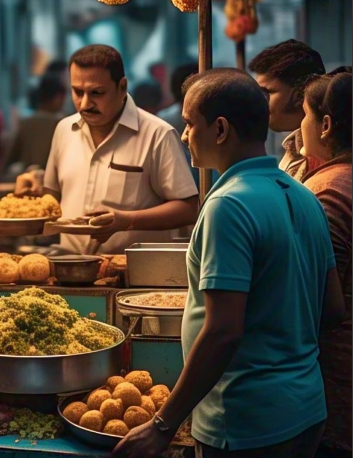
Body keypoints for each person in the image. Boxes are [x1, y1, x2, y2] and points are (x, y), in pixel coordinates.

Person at [113, 68, 345, 458]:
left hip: (244, 421)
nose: (184, 135)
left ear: (220, 129)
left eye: (189, 124)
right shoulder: (303, 194)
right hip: (305, 410)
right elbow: (333, 309)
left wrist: (162, 424)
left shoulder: (228, 205)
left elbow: (222, 332)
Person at [16, 45, 198, 255]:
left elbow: (188, 209)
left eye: (97, 93)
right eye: (77, 92)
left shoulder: (157, 134)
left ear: (122, 87)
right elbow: (53, 196)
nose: (85, 103)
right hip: (69, 265)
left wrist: (127, 221)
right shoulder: (64, 129)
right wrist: (34, 187)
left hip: (129, 272)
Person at [301, 71, 352, 458]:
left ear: (326, 124)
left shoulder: (329, 191)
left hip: (336, 378)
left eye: (304, 115)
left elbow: (322, 302)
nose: (302, 126)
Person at [248, 40, 325, 180]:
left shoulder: (322, 154)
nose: (260, 101)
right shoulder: (295, 148)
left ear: (299, 93)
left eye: (267, 93)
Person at [4, 75, 66, 172]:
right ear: (58, 98)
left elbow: (10, 158)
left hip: (28, 180)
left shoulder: (26, 123)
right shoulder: (64, 125)